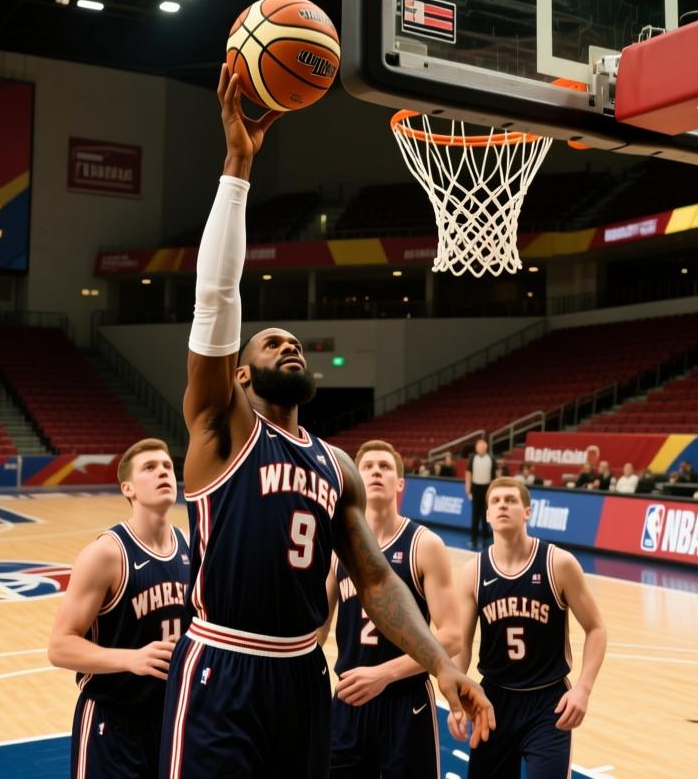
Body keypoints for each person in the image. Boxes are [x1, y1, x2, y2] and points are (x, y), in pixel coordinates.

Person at [158, 67, 493, 779]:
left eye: (296, 342)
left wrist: (440, 665)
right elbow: (216, 296)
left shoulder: (334, 465)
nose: (289, 345)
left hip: (305, 677)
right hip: (223, 665)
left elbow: (374, 578)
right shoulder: (220, 428)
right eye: (270, 341)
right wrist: (237, 169)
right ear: (239, 373)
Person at [47, 438, 192, 779]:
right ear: (128, 488)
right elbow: (59, 646)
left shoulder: (189, 545)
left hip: (171, 716)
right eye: (150, 468)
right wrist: (131, 658)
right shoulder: (108, 554)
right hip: (113, 721)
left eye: (167, 466)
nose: (163, 473)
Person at [319, 439, 462, 778]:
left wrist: (383, 675)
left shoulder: (424, 545)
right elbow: (316, 628)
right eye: (368, 466)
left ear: (400, 484)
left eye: (385, 467)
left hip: (406, 700)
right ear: (354, 478)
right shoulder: (337, 546)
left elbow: (453, 637)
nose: (376, 472)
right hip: (350, 698)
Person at [451, 477, 608, 777]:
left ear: (527, 512)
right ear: (486, 515)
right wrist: (456, 695)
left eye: (510, 500)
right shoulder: (474, 570)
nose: (502, 506)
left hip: (548, 703)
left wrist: (584, 689)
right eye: (495, 501)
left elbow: (596, 628)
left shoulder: (558, 564)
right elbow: (461, 644)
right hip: (493, 701)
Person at [465, 438, 496, 549]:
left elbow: (494, 476)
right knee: (475, 514)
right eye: (479, 446)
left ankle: (485, 538)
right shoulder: (472, 458)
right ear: (476, 448)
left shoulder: (491, 458)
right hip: (476, 488)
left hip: (487, 488)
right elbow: (468, 473)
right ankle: (473, 538)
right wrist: (468, 487)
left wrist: (492, 490)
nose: (481, 448)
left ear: (486, 447)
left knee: (486, 514)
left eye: (483, 446)